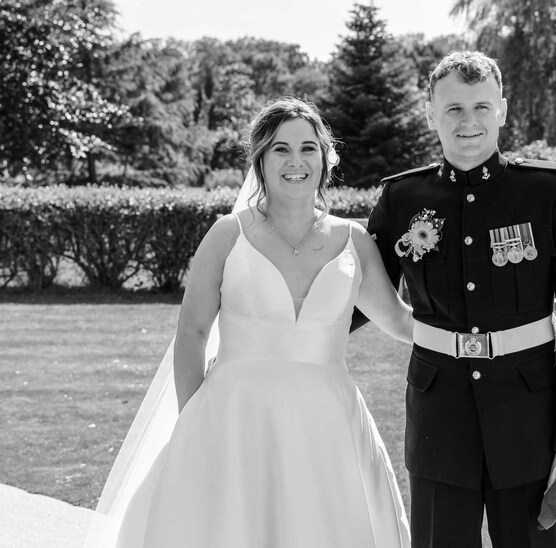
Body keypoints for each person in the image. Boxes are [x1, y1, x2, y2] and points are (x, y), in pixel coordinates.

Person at [85, 97, 413, 548]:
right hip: (233, 416)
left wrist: (478, 329)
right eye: (280, 149)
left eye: (308, 148)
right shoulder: (227, 234)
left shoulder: (353, 240)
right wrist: (195, 423)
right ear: (260, 159)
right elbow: (192, 333)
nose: (296, 161)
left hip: (328, 422)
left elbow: (399, 322)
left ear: (326, 157)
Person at [356, 51, 556, 547]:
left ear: (503, 110)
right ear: (430, 113)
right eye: (453, 109)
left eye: (481, 107)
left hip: (528, 423)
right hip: (437, 421)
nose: (468, 121)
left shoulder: (546, 193)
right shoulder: (401, 199)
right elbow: (354, 300)